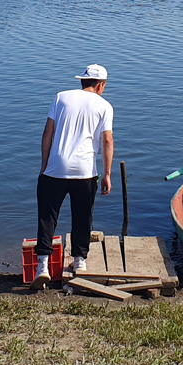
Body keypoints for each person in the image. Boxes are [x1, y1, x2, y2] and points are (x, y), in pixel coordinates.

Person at [32, 64, 114, 289]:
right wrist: (107, 174)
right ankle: (79, 261)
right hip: (86, 172)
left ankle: (43, 266)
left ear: (82, 81)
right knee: (82, 216)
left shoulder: (60, 98)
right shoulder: (104, 106)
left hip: (55, 167)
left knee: (47, 217)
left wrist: (44, 166)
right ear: (100, 85)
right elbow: (107, 140)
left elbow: (47, 133)